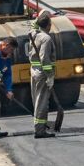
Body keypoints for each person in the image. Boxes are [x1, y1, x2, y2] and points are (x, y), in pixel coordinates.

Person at [28, 11, 56, 139]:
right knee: (42, 101)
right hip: (42, 73)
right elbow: (45, 59)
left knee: (37, 99)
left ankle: (40, 126)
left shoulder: (34, 34)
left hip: (34, 70)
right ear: (48, 25)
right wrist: (50, 76)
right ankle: (39, 130)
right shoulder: (46, 38)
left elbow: (34, 26)